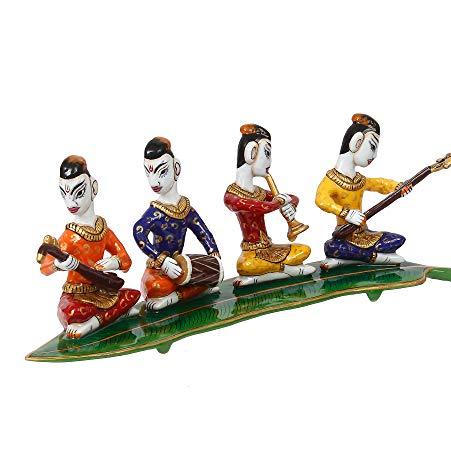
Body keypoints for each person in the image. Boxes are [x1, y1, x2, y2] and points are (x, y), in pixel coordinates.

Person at [39, 155, 140, 339]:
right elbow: (45, 268)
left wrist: (114, 262)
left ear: (93, 188)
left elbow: (126, 261)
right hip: (75, 295)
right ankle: (111, 315)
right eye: (65, 195)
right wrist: (58, 265)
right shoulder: (69, 236)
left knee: (132, 295)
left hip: (101, 289)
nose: (71, 203)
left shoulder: (103, 231)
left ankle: (94, 322)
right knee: (72, 312)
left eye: (78, 193)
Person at [133, 137, 221, 310]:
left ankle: (175, 297)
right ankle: (185, 294)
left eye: (162, 172)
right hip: (159, 269)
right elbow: (138, 231)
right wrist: (161, 260)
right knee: (155, 286)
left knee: (211, 275)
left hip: (181, 265)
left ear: (176, 168)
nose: (154, 182)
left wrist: (213, 254)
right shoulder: (155, 213)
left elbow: (203, 232)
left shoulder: (186, 209)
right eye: (148, 173)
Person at [315, 114, 412, 269]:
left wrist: (397, 186)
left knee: (397, 239)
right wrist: (346, 214)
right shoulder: (331, 180)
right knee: (331, 247)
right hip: (344, 235)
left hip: (364, 233)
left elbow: (378, 184)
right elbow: (321, 200)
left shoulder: (359, 180)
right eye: (372, 147)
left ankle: (352, 258)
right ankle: (373, 257)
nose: (374, 156)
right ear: (356, 142)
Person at [224, 124, 314, 287]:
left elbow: (292, 197)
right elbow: (260, 207)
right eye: (267, 153)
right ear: (251, 153)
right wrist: (279, 202)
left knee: (304, 250)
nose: (270, 161)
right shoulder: (232, 197)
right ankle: (286, 270)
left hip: (270, 248)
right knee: (245, 266)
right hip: (251, 253)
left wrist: (291, 204)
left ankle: (264, 275)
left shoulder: (258, 191)